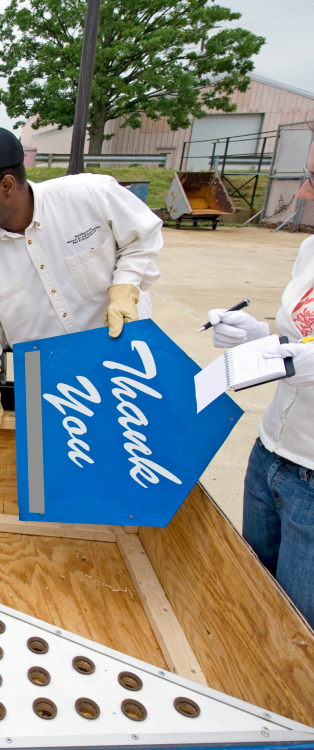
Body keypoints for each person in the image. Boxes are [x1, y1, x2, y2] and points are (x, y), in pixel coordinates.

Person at [0, 126, 163, 441]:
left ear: (7, 185)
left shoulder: (90, 196)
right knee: (58, 474)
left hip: (126, 359)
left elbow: (143, 236)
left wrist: (126, 286)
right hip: (53, 383)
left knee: (142, 457)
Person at [207, 141, 314, 626]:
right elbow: (298, 341)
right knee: (254, 608)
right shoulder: (311, 250)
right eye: (307, 173)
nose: (305, 191)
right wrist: (257, 338)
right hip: (271, 457)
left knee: (296, 636)